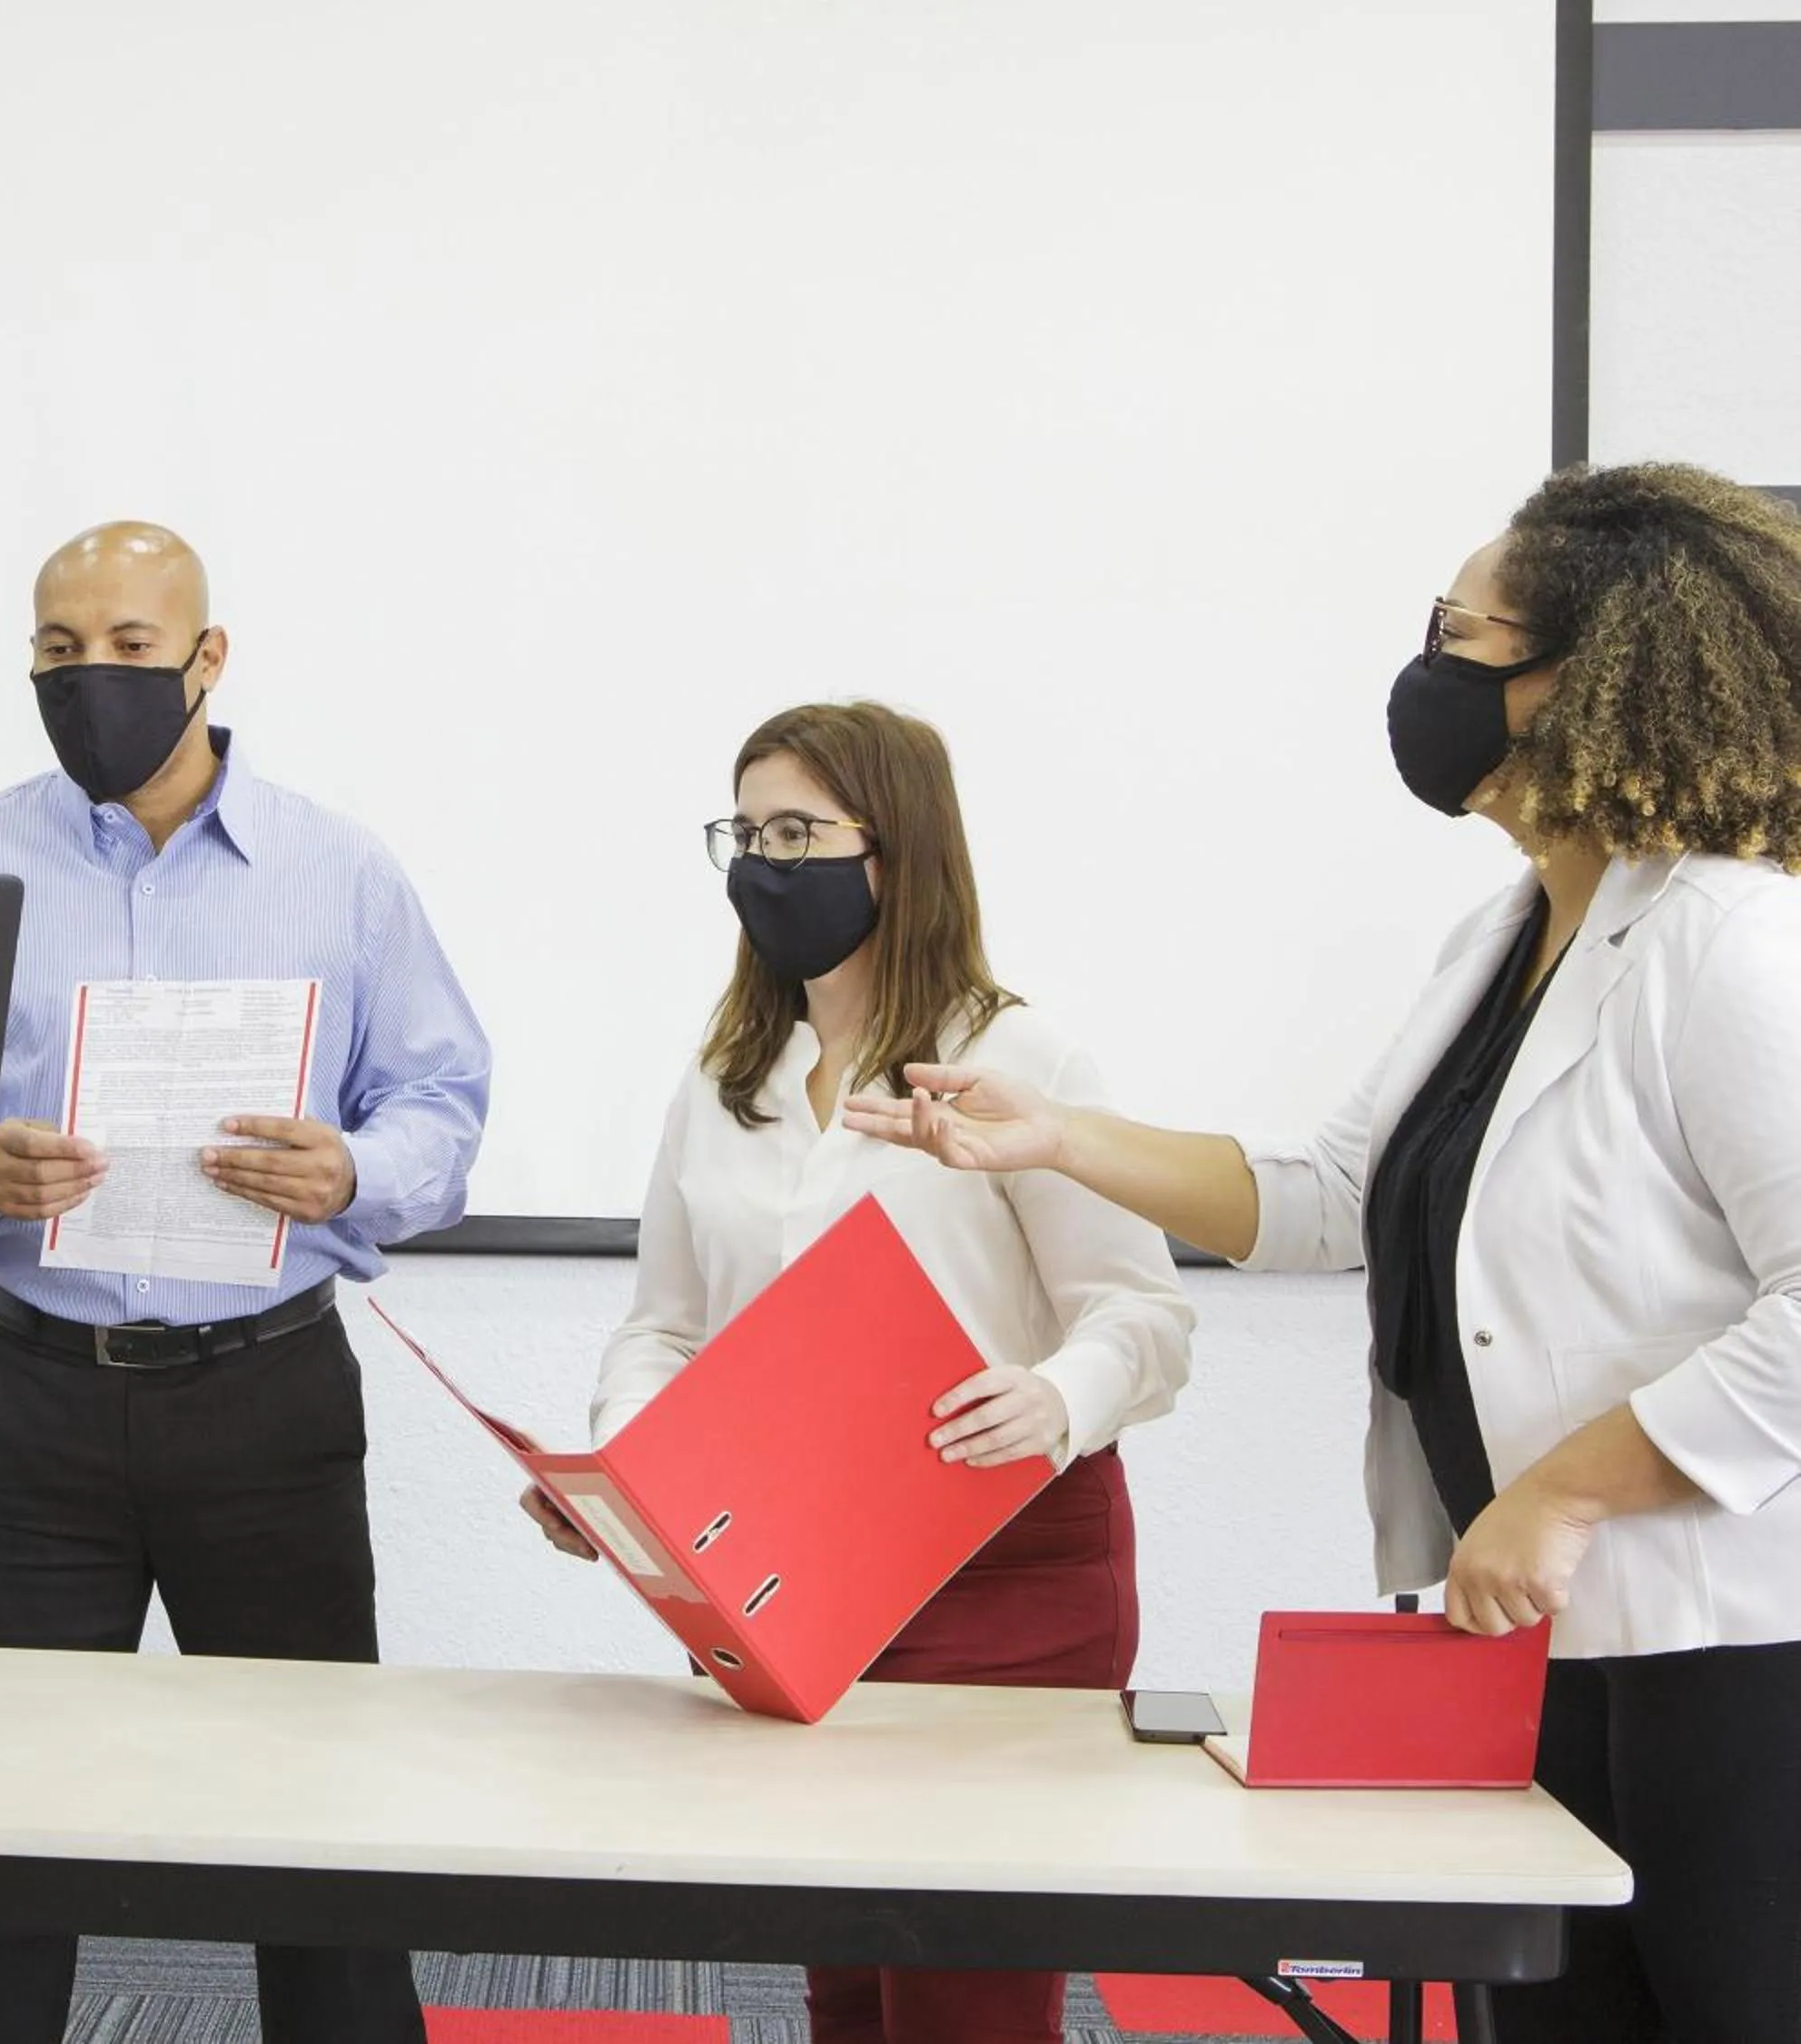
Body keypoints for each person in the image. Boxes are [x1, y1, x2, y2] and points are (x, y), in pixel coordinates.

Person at [866, 462, 1801, 2044]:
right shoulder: (1505, 937)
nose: (1427, 672)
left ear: (1589, 674)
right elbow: (1330, 1192)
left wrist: (1566, 1488)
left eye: (1462, 634)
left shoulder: (1724, 940)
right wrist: (1057, 1137)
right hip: (1535, 1627)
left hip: (1725, 1643)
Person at [522, 700, 1192, 2044]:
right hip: (800, 1566)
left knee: (967, 1983)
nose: (763, 864)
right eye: (747, 831)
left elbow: (1143, 1315)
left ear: (898, 852)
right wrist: (629, 1460)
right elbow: (663, 1325)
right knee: (841, 1964)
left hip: (1006, 1561)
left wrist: (1059, 1397)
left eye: (799, 832)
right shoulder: (725, 1076)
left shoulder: (1019, 1057)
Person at [0, 520, 490, 2044]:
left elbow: (441, 1102)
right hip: (35, 1400)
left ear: (209, 660)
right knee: (4, 1837)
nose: (90, 677)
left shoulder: (339, 869)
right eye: (57, 651)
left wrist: (353, 1171)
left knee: (318, 1836)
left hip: (268, 1403)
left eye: (130, 648)